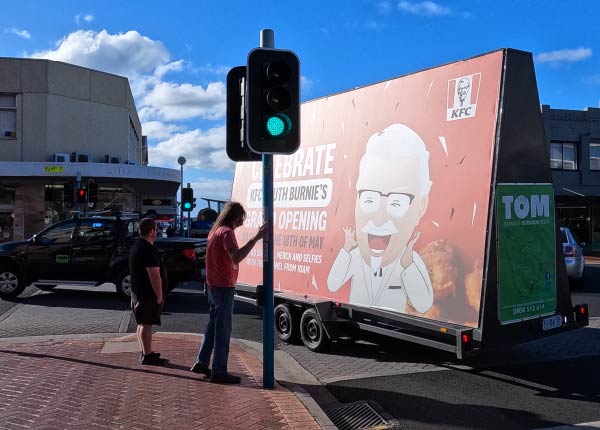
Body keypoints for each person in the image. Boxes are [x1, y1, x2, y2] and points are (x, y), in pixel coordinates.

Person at [327, 124, 434, 314]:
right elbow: (333, 284)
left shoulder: (408, 260)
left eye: (396, 203)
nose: (379, 218)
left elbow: (424, 304)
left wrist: (408, 265)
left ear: (420, 206)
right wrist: (345, 249)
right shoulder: (355, 256)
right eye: (369, 199)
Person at [190, 201, 267, 384]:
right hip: (223, 286)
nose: (243, 220)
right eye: (242, 217)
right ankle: (219, 371)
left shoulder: (215, 231)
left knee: (213, 326)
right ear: (236, 216)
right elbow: (236, 257)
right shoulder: (227, 233)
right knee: (223, 329)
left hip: (213, 285)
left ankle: (201, 362)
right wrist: (256, 238)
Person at [129, 217, 168, 365]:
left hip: (137, 293)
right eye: (156, 229)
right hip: (147, 295)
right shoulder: (148, 250)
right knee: (146, 324)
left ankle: (145, 352)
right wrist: (159, 295)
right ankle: (147, 355)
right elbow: (154, 275)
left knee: (141, 324)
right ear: (151, 231)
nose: (157, 232)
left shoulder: (137, 247)